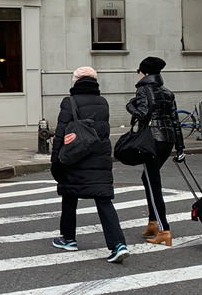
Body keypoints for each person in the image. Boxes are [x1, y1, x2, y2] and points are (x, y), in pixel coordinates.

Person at [50, 66, 130, 263]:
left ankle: (68, 239)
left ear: (76, 81)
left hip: (75, 157)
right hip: (98, 159)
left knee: (69, 196)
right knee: (103, 200)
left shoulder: (69, 102)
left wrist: (55, 160)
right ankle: (118, 244)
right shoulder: (103, 103)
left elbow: (61, 134)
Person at [126, 56, 185, 247]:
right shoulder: (167, 92)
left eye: (139, 71)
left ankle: (163, 229)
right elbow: (175, 121)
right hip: (167, 141)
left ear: (144, 72)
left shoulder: (143, 90)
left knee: (153, 183)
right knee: (148, 178)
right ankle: (153, 223)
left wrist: (130, 106)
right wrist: (180, 148)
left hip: (151, 140)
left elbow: (143, 115)